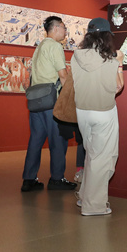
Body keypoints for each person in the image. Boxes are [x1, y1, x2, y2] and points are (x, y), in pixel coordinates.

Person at [71, 18, 124, 216]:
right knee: (103, 159)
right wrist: (120, 63)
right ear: (107, 36)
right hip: (104, 111)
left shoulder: (77, 55)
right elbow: (118, 86)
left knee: (92, 155)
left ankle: (85, 196)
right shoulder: (110, 58)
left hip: (83, 111)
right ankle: (93, 206)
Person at [21, 16, 77, 192]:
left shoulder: (39, 47)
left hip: (36, 102)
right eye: (64, 28)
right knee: (58, 141)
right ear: (56, 28)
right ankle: (57, 179)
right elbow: (63, 75)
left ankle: (29, 179)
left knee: (35, 141)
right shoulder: (55, 46)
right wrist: (70, 98)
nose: (65, 32)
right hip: (52, 101)